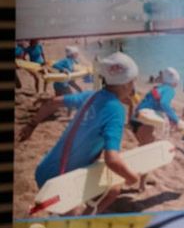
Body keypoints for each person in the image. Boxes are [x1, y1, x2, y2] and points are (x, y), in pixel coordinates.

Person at [20, 52, 142, 214]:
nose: (135, 85)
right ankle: (85, 217)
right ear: (126, 84)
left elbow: (53, 103)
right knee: (111, 189)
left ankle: (84, 213)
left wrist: (31, 125)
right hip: (61, 180)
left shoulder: (90, 96)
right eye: (134, 81)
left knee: (113, 189)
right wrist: (132, 178)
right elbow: (111, 159)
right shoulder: (116, 111)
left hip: (44, 170)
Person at [131, 66, 182, 145]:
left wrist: (170, 115)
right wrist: (176, 119)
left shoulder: (158, 87)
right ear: (175, 83)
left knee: (145, 142)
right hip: (145, 119)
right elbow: (163, 103)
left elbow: (156, 103)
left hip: (136, 116)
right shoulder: (170, 90)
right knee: (147, 144)